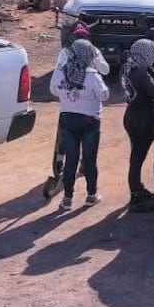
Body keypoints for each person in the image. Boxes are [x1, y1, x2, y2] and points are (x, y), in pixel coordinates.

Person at [49, 25, 110, 210]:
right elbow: (104, 95)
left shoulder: (60, 73)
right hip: (90, 121)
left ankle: (67, 199)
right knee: (89, 160)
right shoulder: (92, 76)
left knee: (71, 161)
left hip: (67, 119)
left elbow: (53, 90)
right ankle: (91, 196)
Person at [122, 38, 154, 213]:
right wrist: (153, 73)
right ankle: (136, 195)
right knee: (137, 160)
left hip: (132, 116)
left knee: (135, 158)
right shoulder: (141, 72)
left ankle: (137, 188)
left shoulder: (128, 67)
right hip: (142, 119)